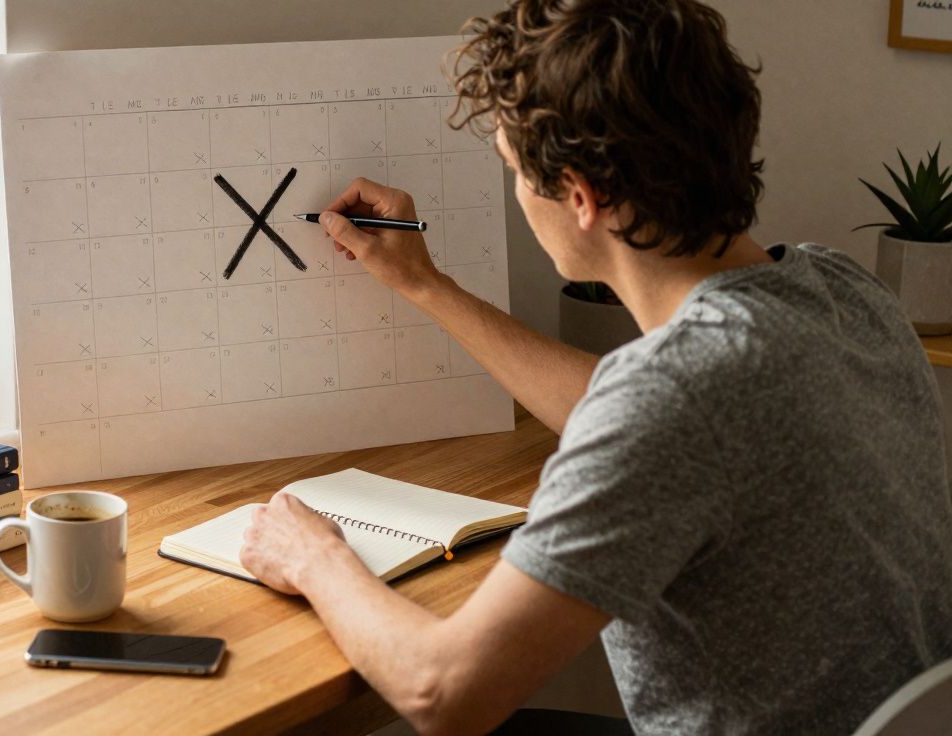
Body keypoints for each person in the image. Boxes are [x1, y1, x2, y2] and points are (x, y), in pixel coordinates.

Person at [237, 0, 952, 733]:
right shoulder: (843, 291)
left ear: (581, 196)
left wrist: (314, 558)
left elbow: (444, 694)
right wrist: (427, 286)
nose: (518, 194)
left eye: (515, 171)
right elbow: (645, 418)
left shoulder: (675, 400)